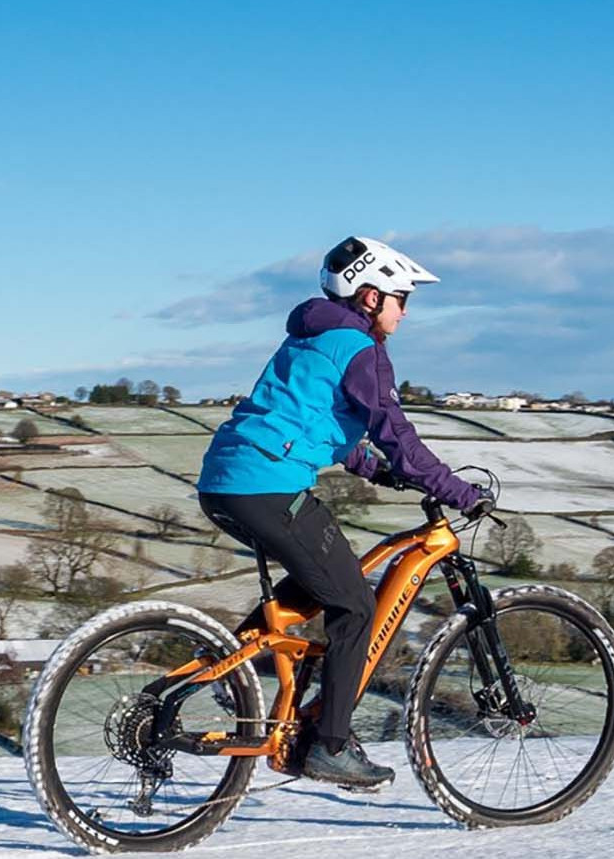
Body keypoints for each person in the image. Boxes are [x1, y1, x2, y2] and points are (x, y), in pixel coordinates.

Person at [197, 235, 492, 789]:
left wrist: (374, 469)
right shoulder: (361, 348)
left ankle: (227, 665)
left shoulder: (316, 336)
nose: (407, 310)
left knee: (324, 578)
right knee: (356, 605)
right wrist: (454, 489)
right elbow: (394, 431)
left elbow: (314, 421)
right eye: (403, 297)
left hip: (223, 481)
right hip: (267, 483)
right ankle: (330, 745)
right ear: (371, 296)